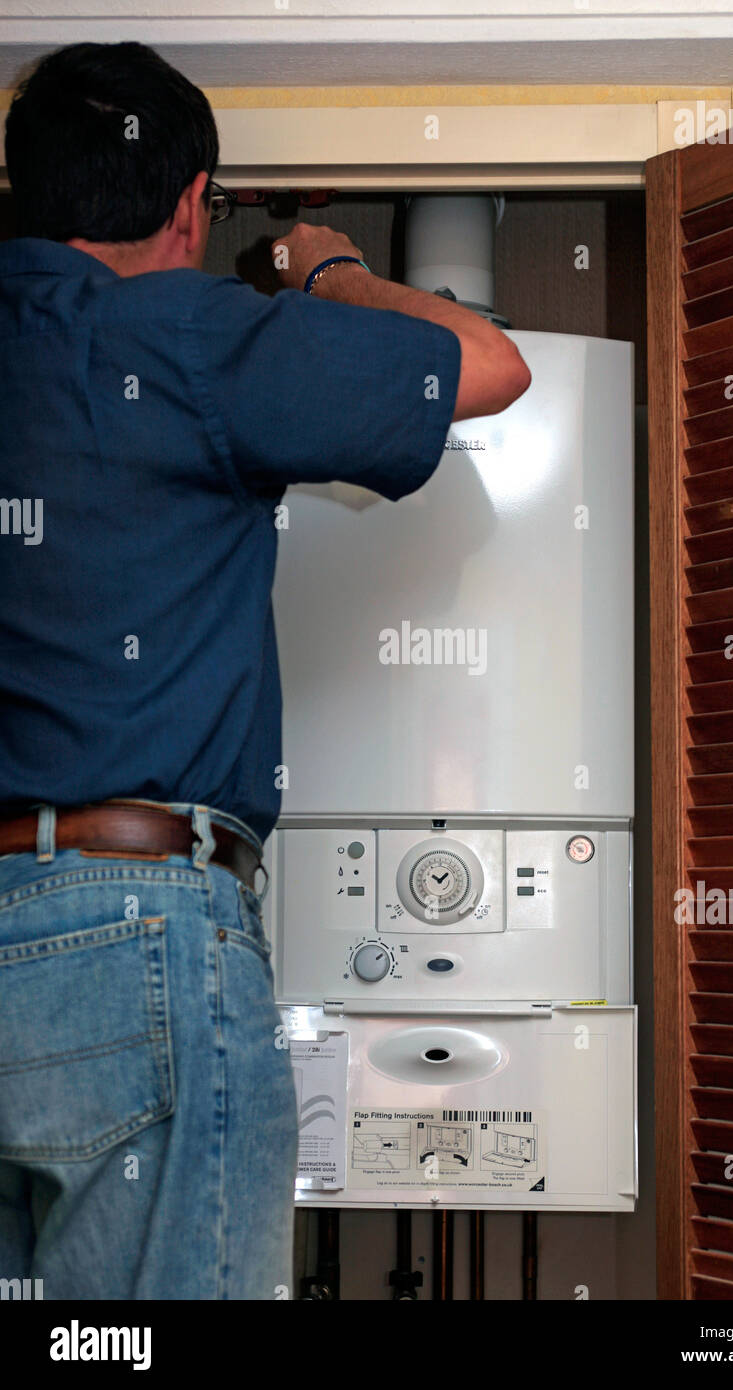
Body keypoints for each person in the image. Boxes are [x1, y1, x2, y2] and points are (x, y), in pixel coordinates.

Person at [0, 41, 530, 1300]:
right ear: (190, 208)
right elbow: (492, 364)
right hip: (133, 936)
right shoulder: (189, 334)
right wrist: (323, 270)